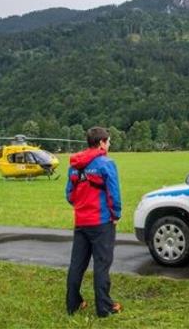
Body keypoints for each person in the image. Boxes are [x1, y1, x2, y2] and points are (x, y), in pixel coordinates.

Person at [65, 127, 123, 316]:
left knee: (77, 264)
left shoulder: (74, 165)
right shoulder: (106, 163)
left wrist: (82, 205)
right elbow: (113, 193)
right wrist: (116, 215)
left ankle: (73, 304)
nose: (109, 145)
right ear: (101, 143)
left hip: (81, 222)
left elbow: (69, 195)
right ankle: (104, 308)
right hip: (101, 223)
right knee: (102, 265)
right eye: (108, 141)